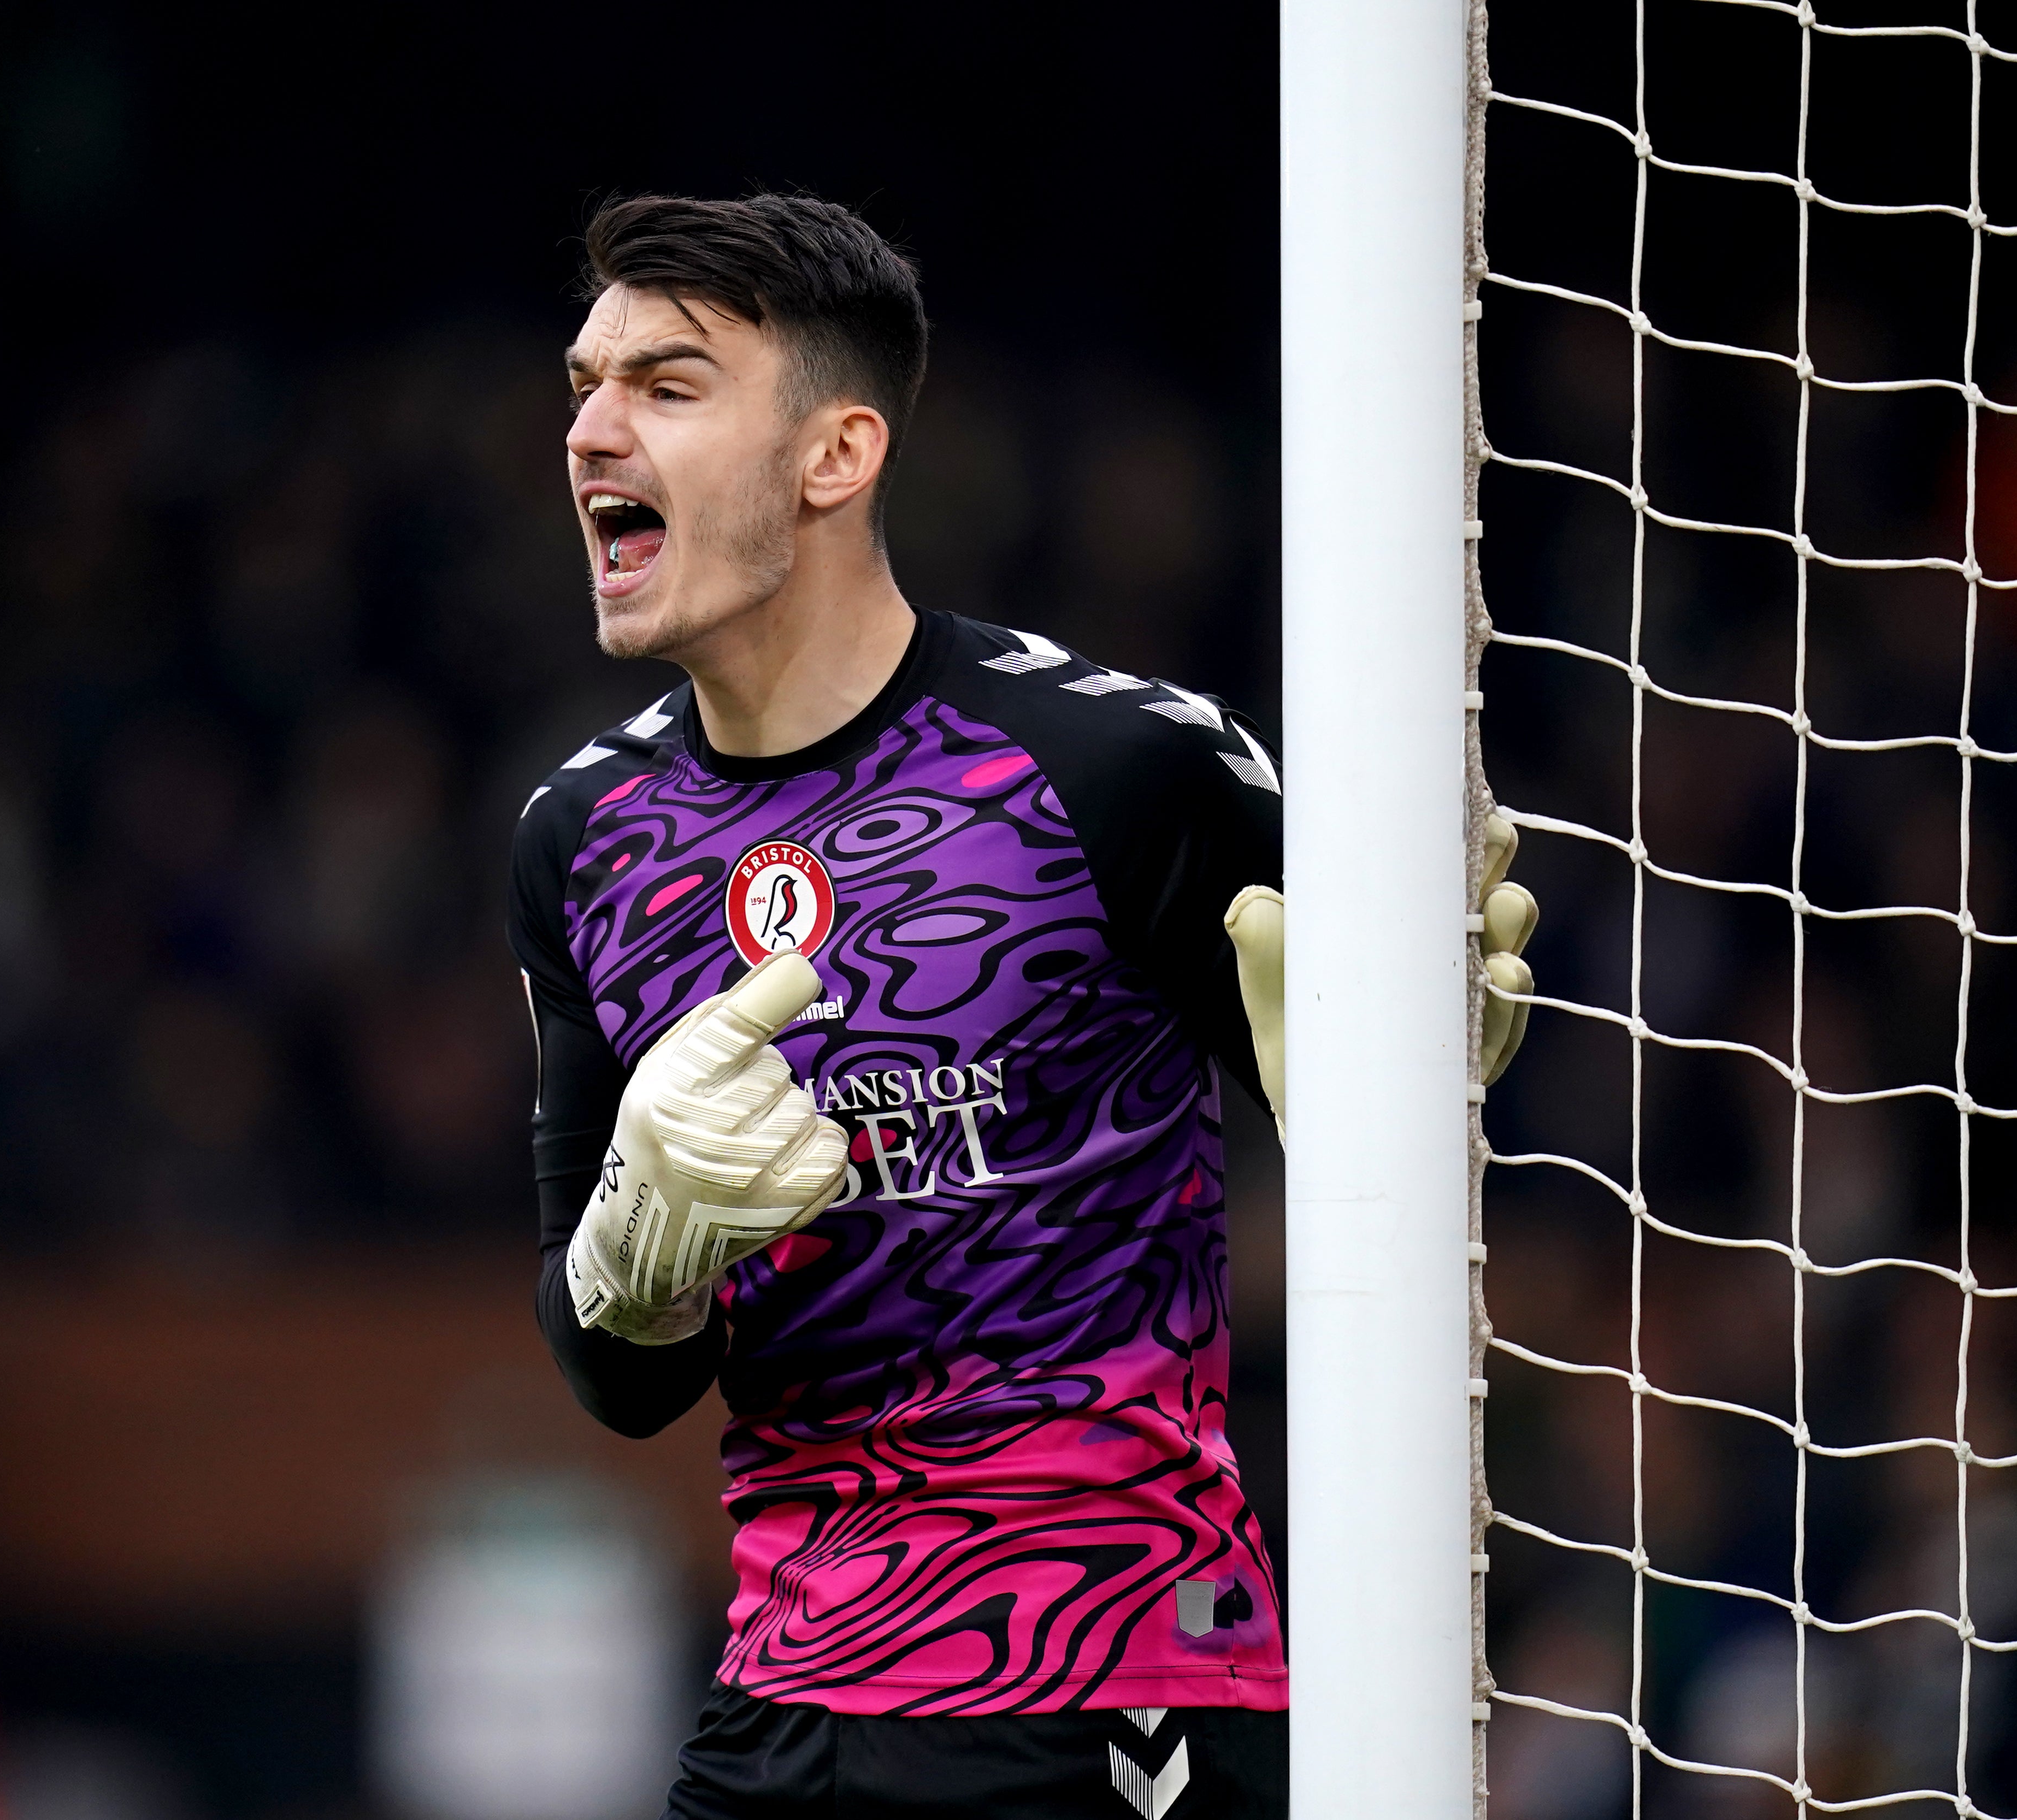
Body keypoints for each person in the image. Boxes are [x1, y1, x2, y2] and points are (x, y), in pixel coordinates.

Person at [508, 193, 1533, 1820]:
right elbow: (622, 1381)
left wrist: (1420, 1102)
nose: (591, 428)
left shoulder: (1120, 766)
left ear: (835, 455)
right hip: (781, 1704)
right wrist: (635, 1265)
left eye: (668, 383)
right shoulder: (584, 838)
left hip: (1121, 1687)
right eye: (587, 379)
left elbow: (1414, 1171)